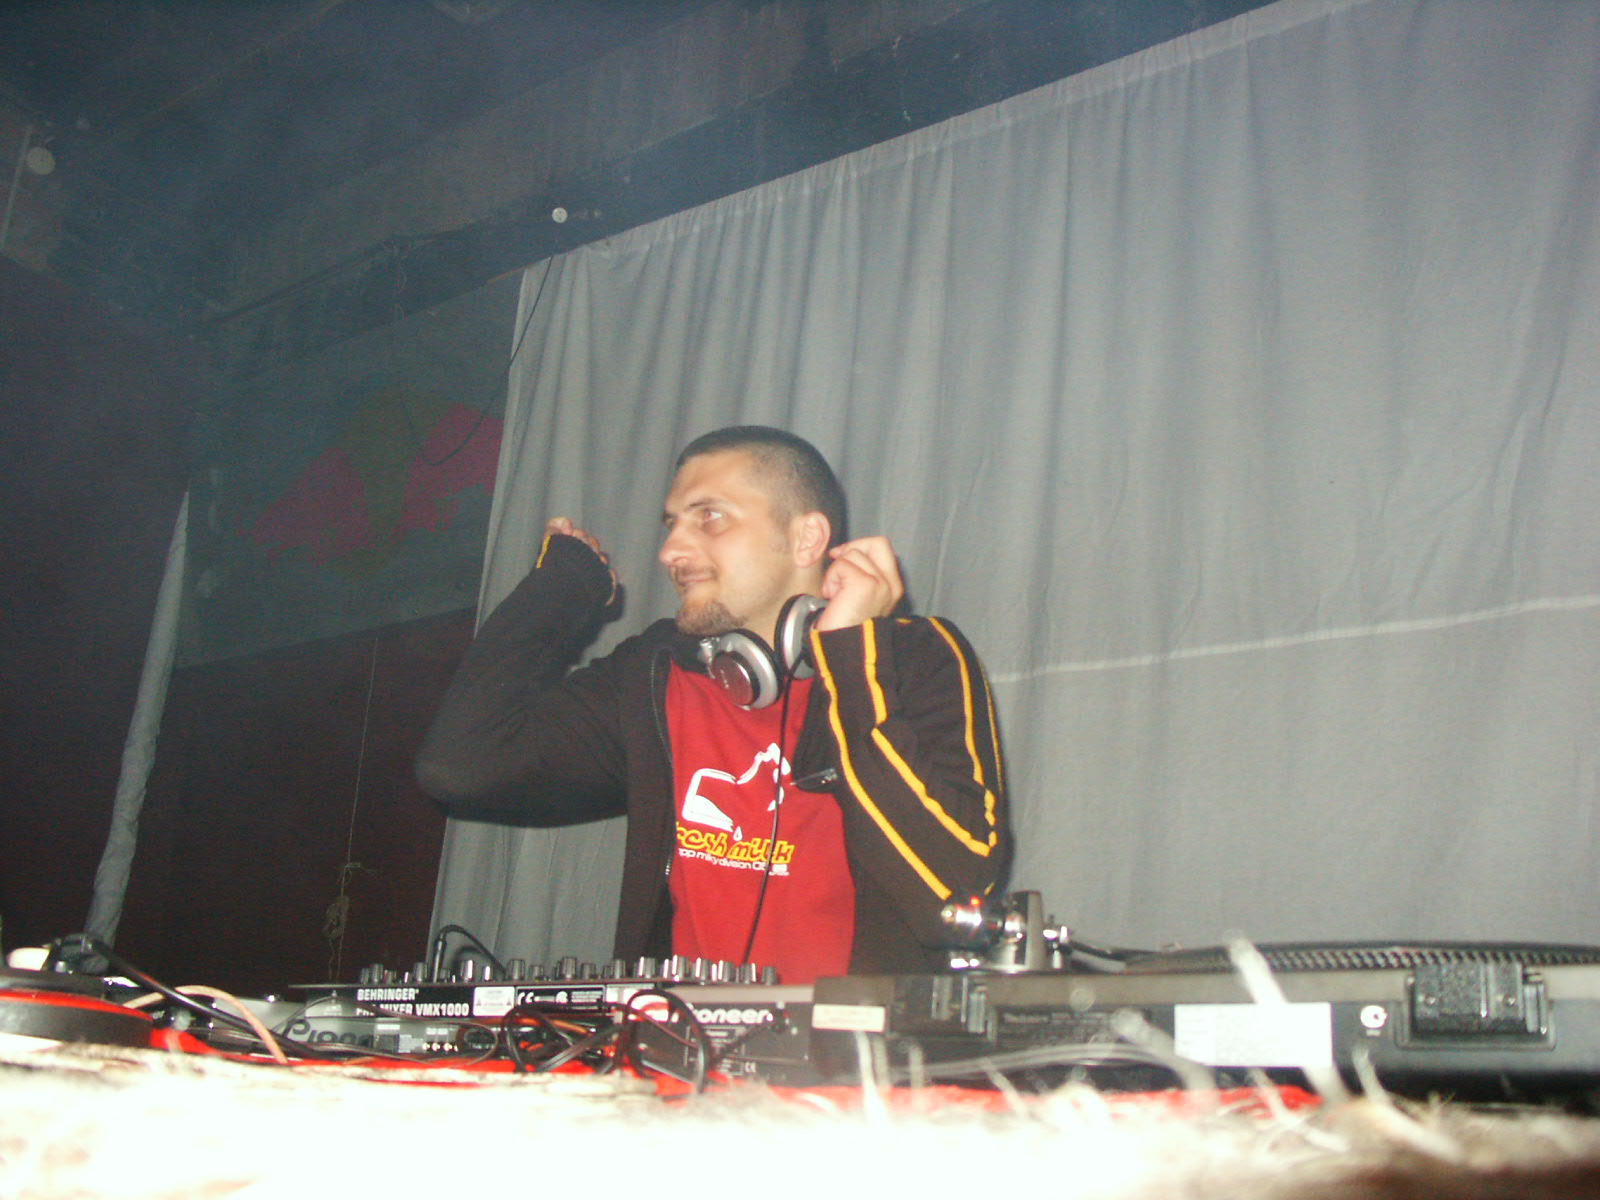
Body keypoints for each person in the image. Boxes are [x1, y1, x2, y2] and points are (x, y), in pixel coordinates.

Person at [415, 426, 1010, 982]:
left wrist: (853, 658)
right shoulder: (656, 673)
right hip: (676, 1048)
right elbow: (463, 766)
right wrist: (565, 587)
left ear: (806, 538)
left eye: (710, 518)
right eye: (672, 524)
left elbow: (952, 894)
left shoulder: (911, 661)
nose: (671, 550)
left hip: (852, 1055)